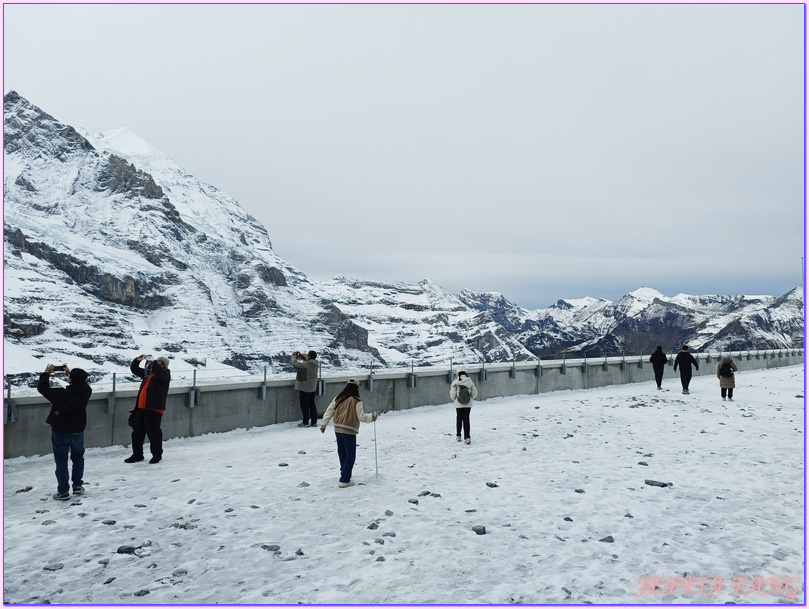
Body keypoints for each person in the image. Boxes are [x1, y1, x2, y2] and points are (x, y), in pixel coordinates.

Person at [37, 363, 92, 500]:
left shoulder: (60, 394)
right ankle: (77, 485)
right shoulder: (86, 391)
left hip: (60, 432)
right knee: (78, 457)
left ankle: (63, 491)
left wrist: (46, 373)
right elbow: (81, 384)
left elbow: (42, 388)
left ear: (70, 380)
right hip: (78, 431)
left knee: (61, 461)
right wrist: (70, 374)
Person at [320, 379, 377, 487]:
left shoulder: (339, 397)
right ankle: (345, 480)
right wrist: (371, 419)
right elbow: (361, 417)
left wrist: (323, 424)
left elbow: (329, 410)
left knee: (342, 453)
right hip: (349, 430)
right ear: (357, 388)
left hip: (337, 428)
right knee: (350, 455)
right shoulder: (357, 400)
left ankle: (344, 473)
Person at [125, 354, 171, 464]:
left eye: (159, 361)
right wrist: (137, 360)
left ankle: (156, 455)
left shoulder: (165, 374)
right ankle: (137, 455)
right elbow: (135, 370)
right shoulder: (148, 374)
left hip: (154, 409)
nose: (156, 361)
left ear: (164, 365)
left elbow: (162, 374)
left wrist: (152, 362)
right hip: (141, 408)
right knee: (137, 433)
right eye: (156, 360)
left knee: (153, 433)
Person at [449, 366, 478, 444]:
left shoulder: (455, 382)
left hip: (458, 404)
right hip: (468, 404)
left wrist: (455, 399)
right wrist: (470, 398)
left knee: (459, 418)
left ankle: (458, 436)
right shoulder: (470, 382)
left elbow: (452, 394)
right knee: (466, 419)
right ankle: (467, 437)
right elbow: (474, 393)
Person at [291, 350, 319, 427]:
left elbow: (296, 365)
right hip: (312, 388)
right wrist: (301, 355)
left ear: (309, 357)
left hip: (304, 388)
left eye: (307, 355)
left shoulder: (306, 365)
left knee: (304, 406)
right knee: (312, 405)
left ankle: (305, 422)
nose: (305, 356)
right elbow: (308, 360)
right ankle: (314, 422)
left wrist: (293, 356)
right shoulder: (315, 363)